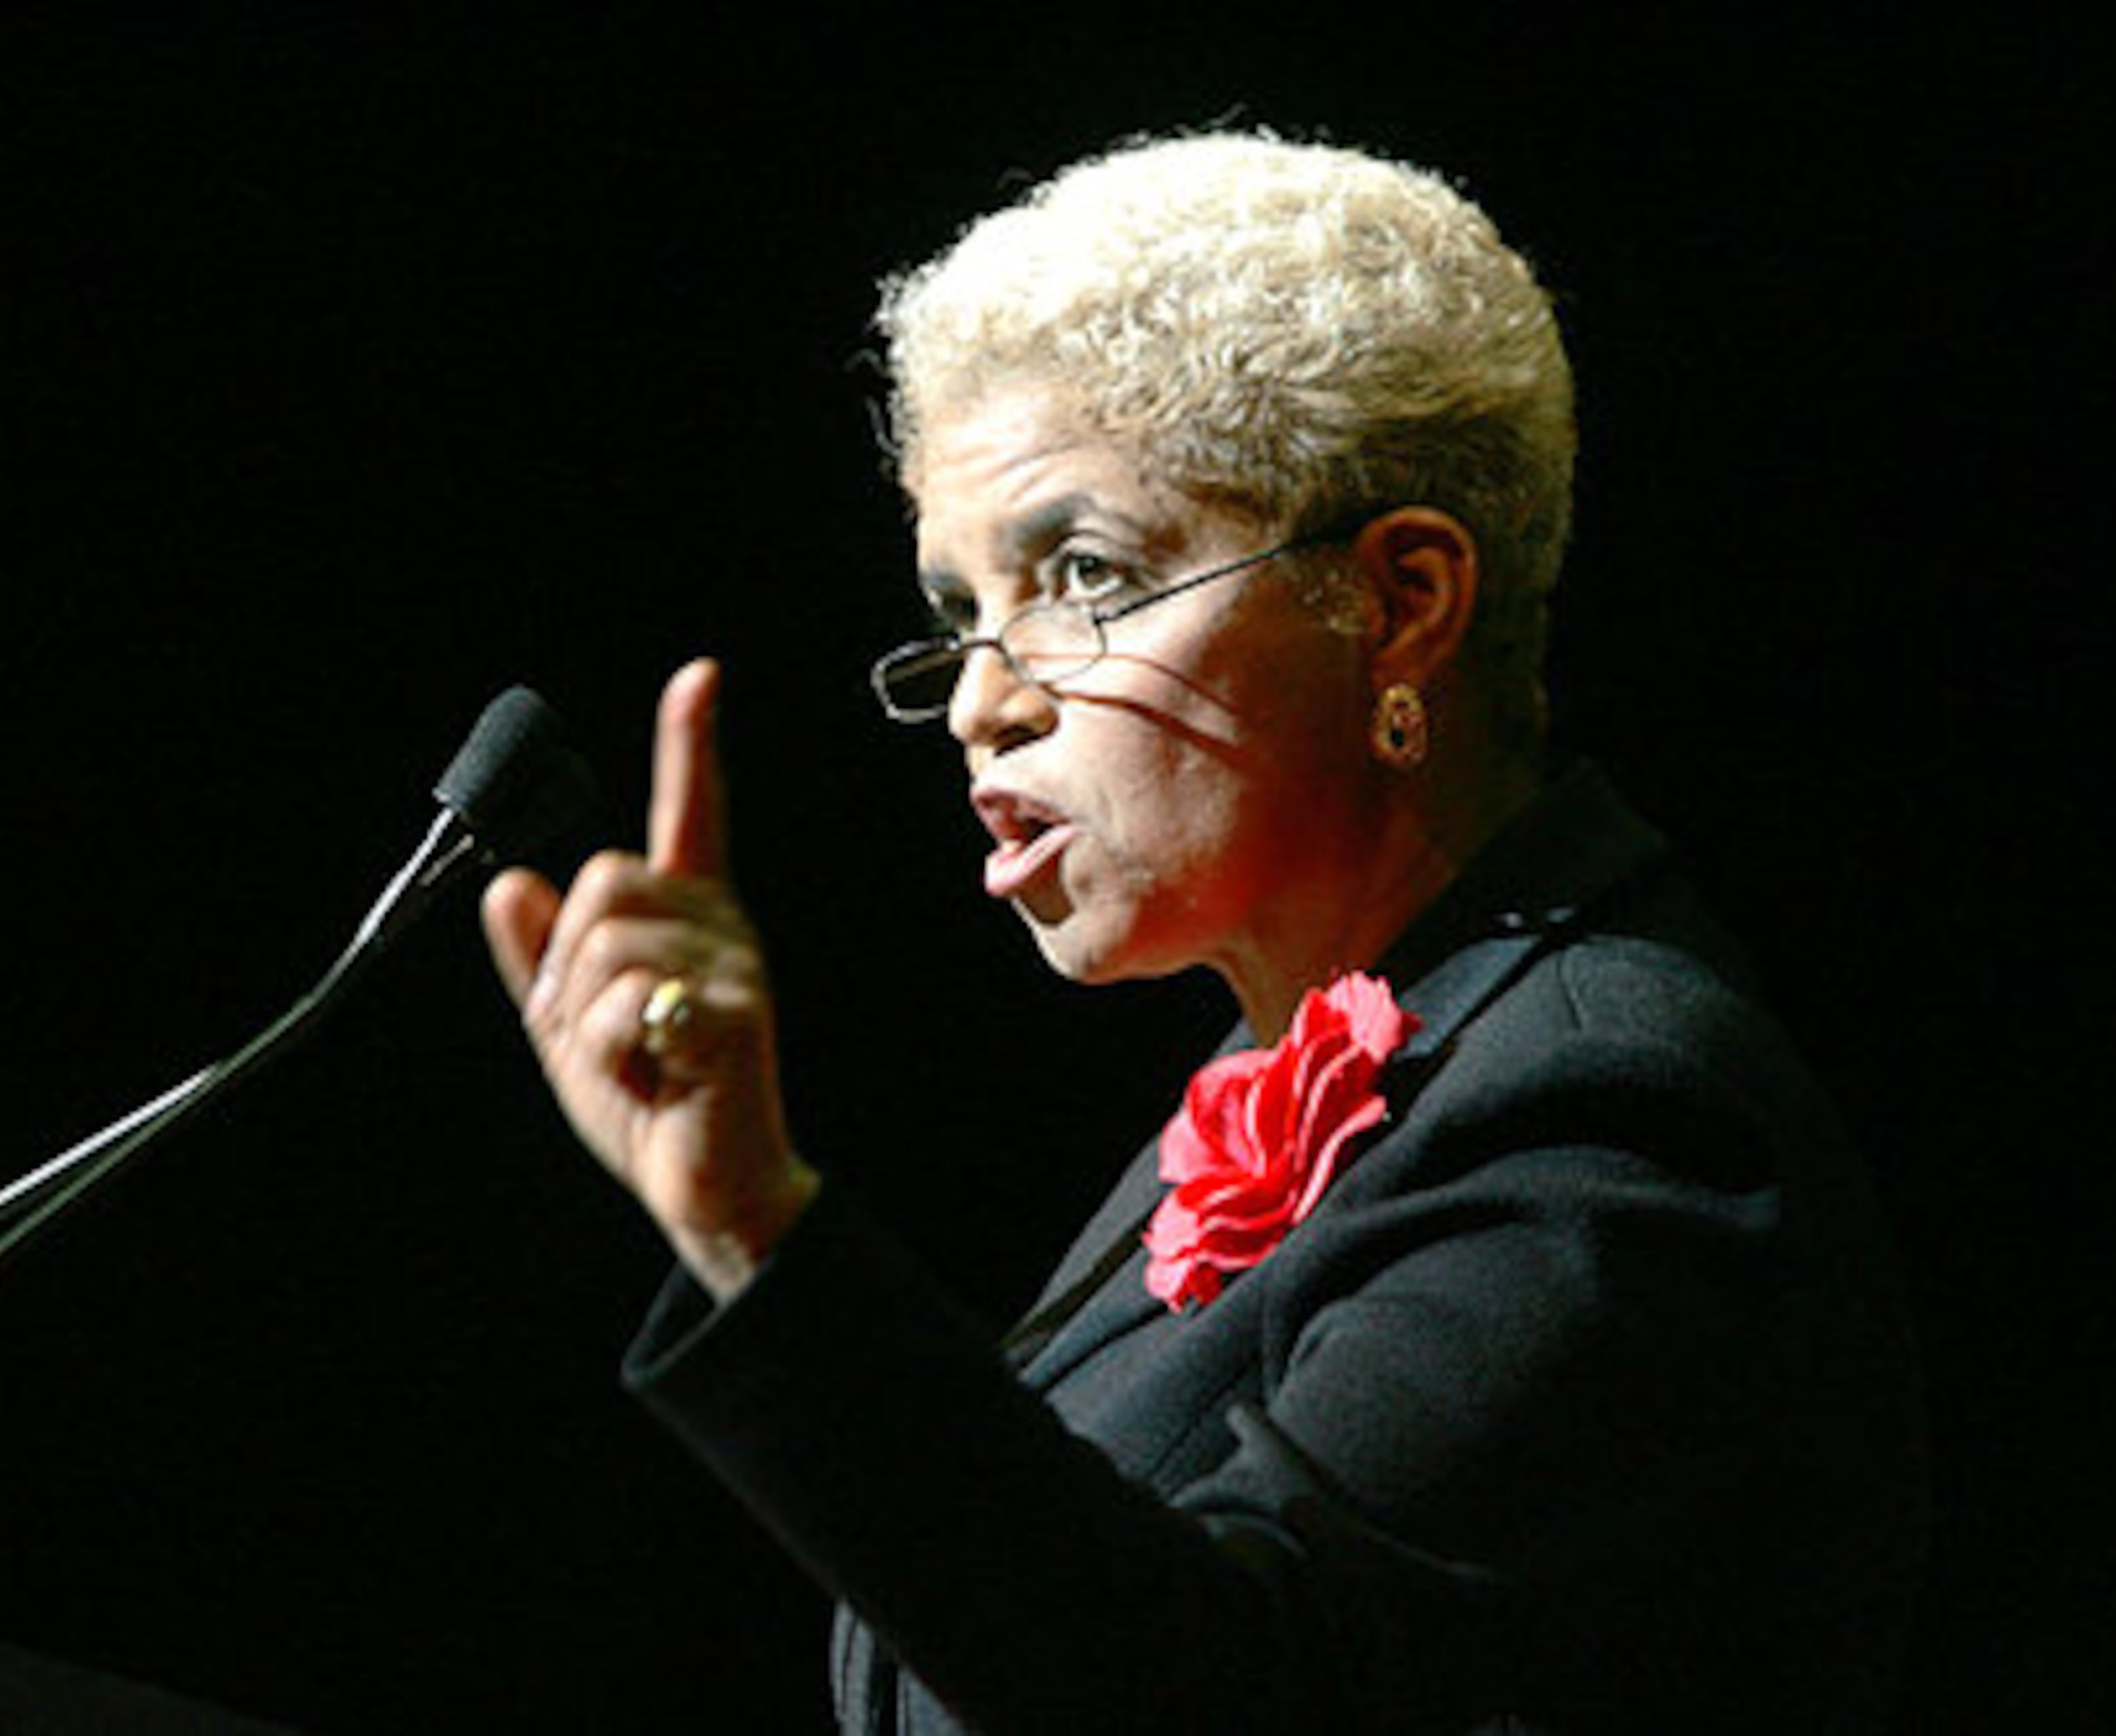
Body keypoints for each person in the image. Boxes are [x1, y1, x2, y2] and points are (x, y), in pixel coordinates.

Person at [480, 130, 1925, 1733]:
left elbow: (1211, 1693)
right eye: (962, 611)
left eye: (1083, 574)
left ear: (1401, 602)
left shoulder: (1609, 1117)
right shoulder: (1300, 1063)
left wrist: (758, 1227)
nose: (984, 697)